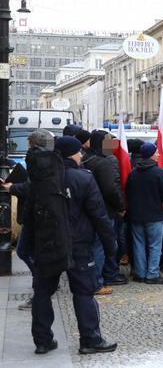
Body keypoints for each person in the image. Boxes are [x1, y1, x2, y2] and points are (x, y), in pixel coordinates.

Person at [30, 136, 117, 355]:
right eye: (79, 152)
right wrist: (111, 246)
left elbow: (29, 214)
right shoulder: (83, 179)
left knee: (42, 291)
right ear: (71, 153)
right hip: (78, 245)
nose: (81, 155)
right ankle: (90, 339)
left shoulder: (41, 177)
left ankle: (42, 341)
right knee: (83, 292)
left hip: (48, 243)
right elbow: (99, 215)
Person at [2, 129, 55, 311]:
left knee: (27, 252)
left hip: (37, 216)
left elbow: (33, 186)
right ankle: (42, 285)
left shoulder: (41, 161)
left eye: (29, 143)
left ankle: (42, 285)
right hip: (37, 214)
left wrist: (13, 187)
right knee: (27, 252)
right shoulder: (46, 160)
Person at [81, 130, 126, 294]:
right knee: (103, 246)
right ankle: (98, 282)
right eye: (108, 142)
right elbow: (111, 190)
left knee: (93, 246)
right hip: (105, 211)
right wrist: (121, 206)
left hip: (88, 210)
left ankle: (93, 278)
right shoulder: (103, 162)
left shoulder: (85, 158)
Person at [125, 143, 163, 284]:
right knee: (154, 245)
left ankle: (140, 273)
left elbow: (127, 191)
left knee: (138, 244)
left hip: (136, 214)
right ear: (151, 155)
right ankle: (152, 274)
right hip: (154, 214)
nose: (158, 155)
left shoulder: (133, 172)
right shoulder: (159, 172)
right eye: (156, 152)